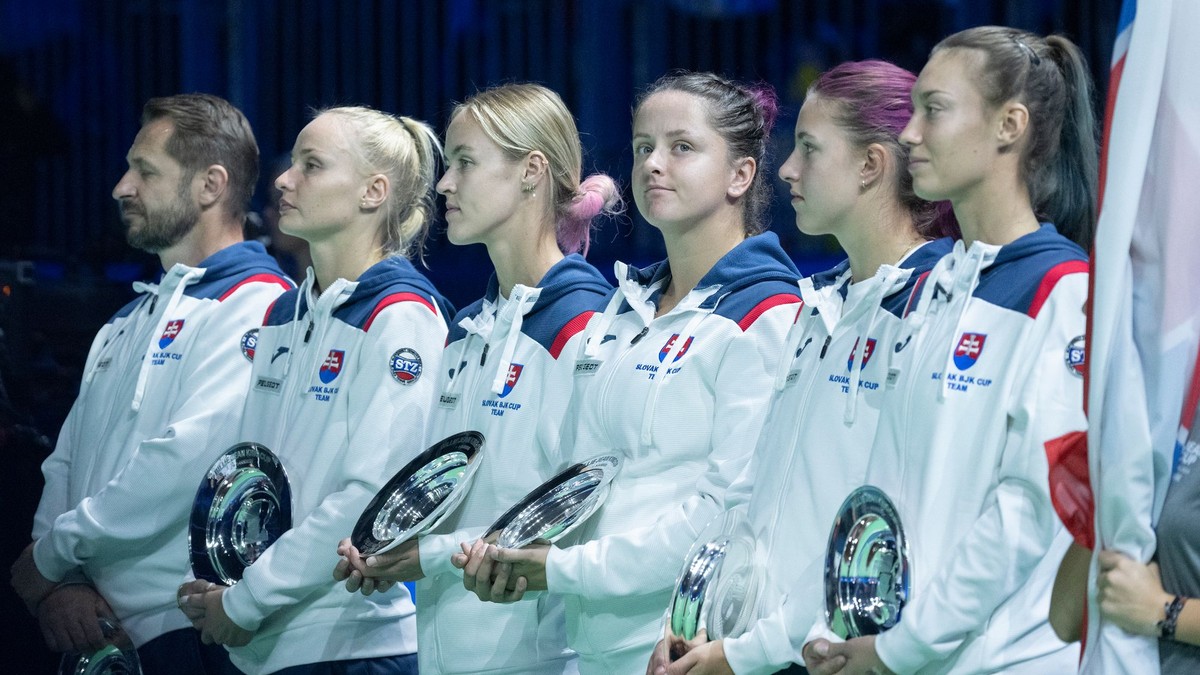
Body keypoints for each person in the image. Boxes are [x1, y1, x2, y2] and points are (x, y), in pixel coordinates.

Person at [457, 71, 803, 674]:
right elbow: (580, 475)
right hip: (589, 642)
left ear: (741, 175)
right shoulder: (623, 306)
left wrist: (562, 568)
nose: (653, 165)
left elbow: (727, 511)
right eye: (644, 147)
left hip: (680, 646)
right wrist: (513, 550)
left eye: (682, 147)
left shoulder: (767, 315)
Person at [803, 26, 1097, 675]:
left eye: (933, 110)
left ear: (1009, 126)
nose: (908, 134)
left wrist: (900, 648)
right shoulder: (934, 285)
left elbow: (1027, 511)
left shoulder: (1063, 291)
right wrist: (855, 622)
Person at [649, 59, 958, 675]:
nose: (787, 168)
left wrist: (745, 654)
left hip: (840, 654)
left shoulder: (935, 310)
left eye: (810, 149)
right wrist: (694, 613)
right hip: (760, 651)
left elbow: (896, 529)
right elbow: (752, 489)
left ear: (872, 165)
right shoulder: (817, 306)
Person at [330, 82, 621, 675]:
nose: (444, 183)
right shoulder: (467, 329)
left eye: (465, 162)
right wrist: (387, 546)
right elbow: (453, 494)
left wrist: (427, 557)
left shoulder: (586, 326)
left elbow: (569, 517)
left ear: (530, 172)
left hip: (542, 658)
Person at [8, 93, 291, 674]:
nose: (121, 187)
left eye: (145, 171)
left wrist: (53, 556)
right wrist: (64, 582)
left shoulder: (260, 307)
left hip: (188, 635)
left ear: (210, 185)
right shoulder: (129, 318)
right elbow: (65, 462)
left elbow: (186, 462)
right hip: (97, 629)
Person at [177, 106, 452, 675]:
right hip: (262, 639)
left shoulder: (402, 315)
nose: (283, 179)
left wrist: (247, 598)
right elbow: (249, 477)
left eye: (312, 165)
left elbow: (368, 498)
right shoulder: (282, 312)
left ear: (373, 192)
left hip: (353, 642)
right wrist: (219, 577)